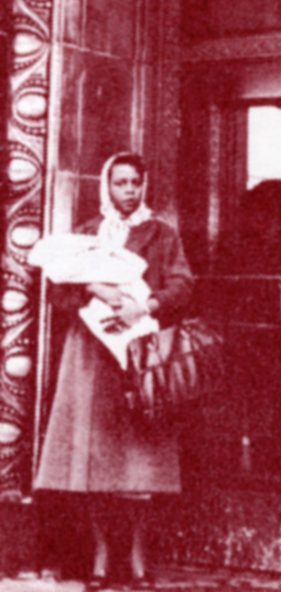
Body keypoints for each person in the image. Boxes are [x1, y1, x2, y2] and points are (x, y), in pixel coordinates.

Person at [35, 151, 194, 590]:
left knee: (140, 463)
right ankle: (103, 558)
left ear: (144, 185)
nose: (128, 191)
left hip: (139, 355)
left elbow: (183, 284)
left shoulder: (161, 233)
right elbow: (56, 288)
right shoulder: (87, 233)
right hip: (91, 356)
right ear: (107, 185)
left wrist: (145, 306)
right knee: (95, 462)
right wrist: (91, 287)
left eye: (135, 183)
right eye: (121, 183)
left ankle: (139, 558)